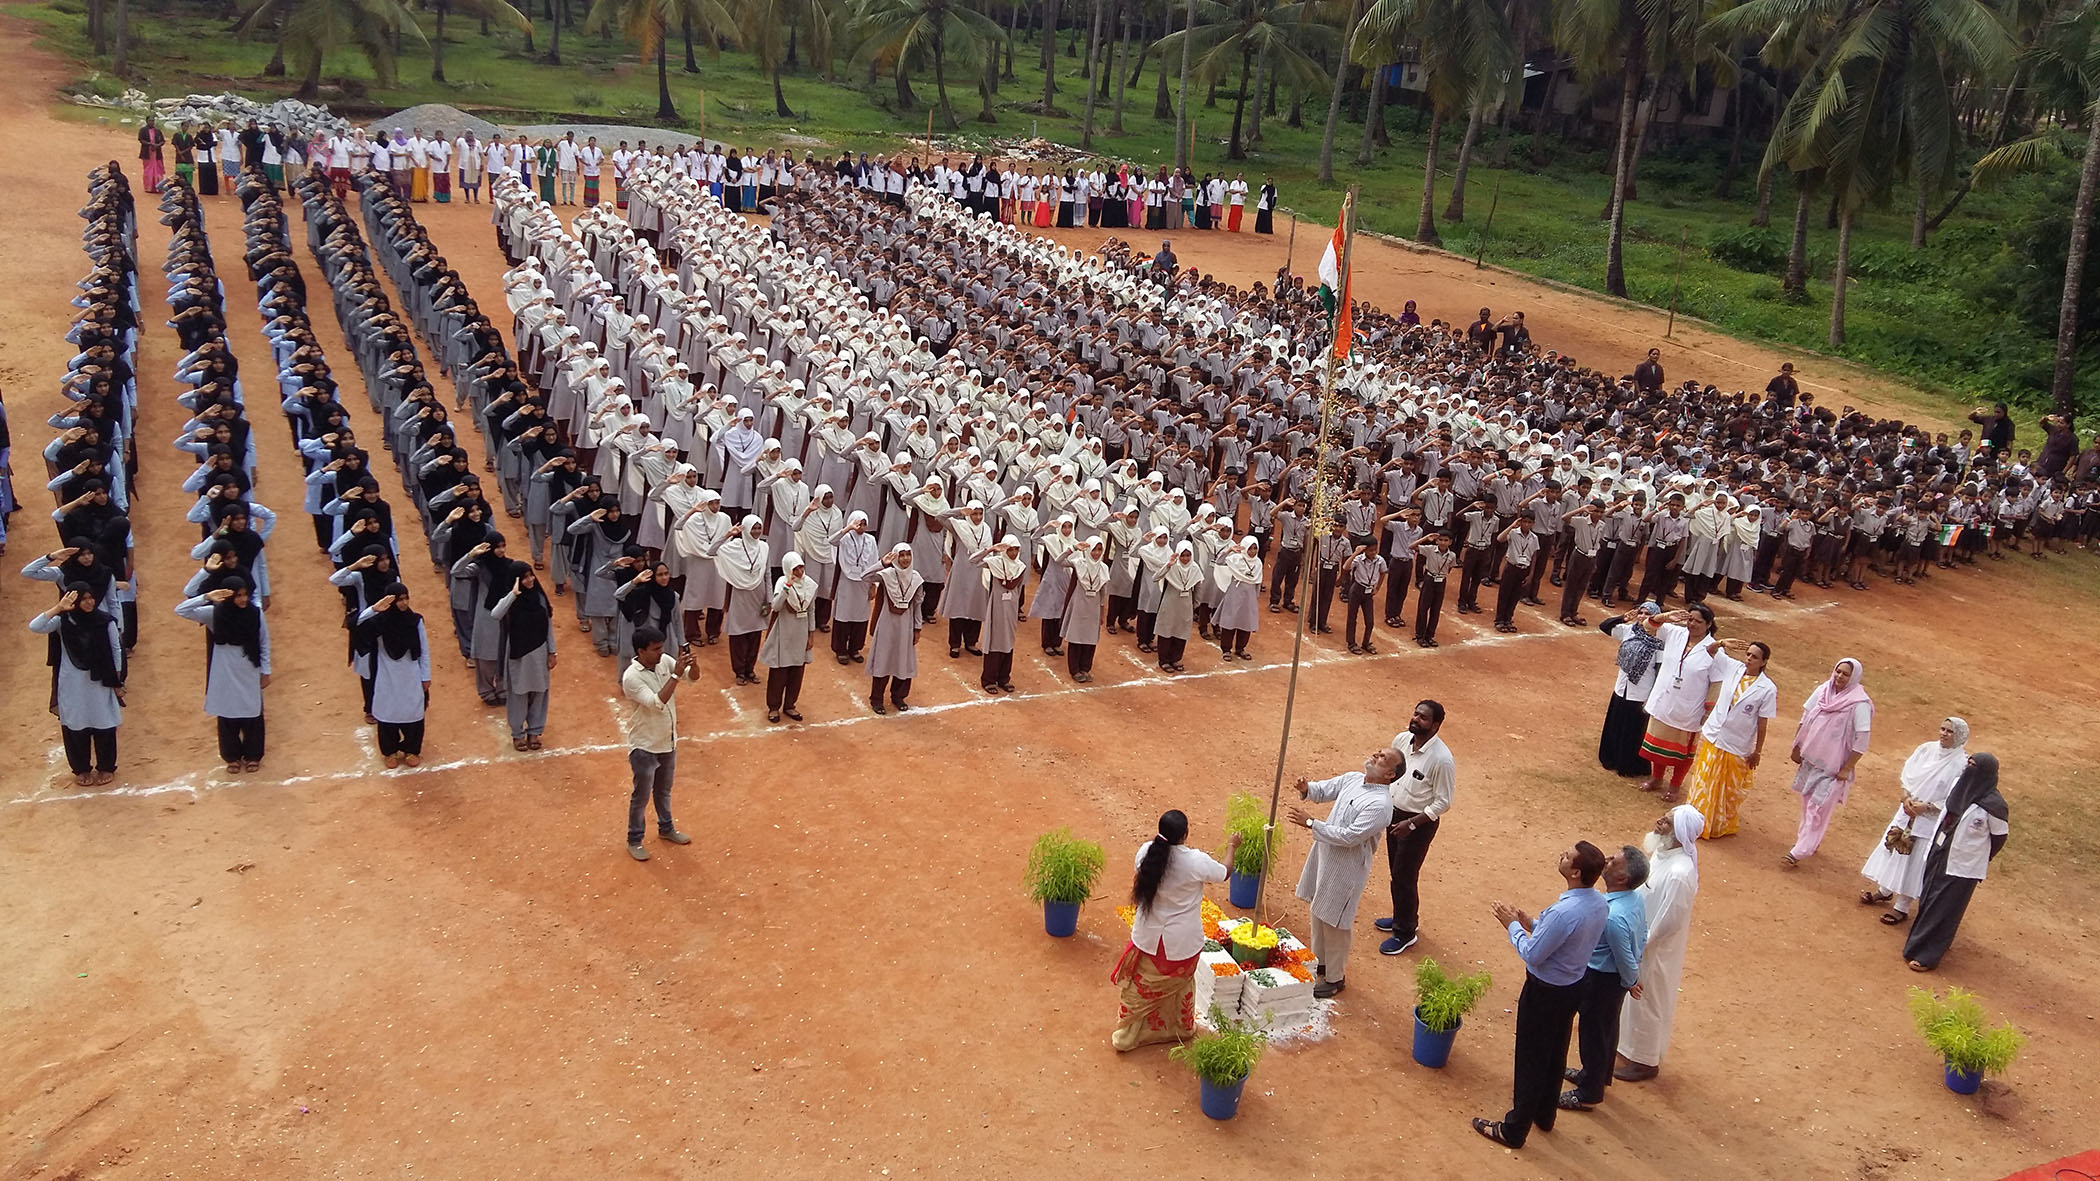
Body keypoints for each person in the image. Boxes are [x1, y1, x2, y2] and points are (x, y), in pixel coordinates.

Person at [1474, 841, 1609, 1150]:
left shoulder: (1564, 912)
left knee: (1531, 1058)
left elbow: (1533, 954)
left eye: (1567, 856)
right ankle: (1544, 1114)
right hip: (1571, 987)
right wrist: (1533, 924)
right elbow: (1567, 939)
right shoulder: (1598, 903)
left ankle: (1514, 1129)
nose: (1561, 854)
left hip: (1544, 992)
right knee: (1555, 1052)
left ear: (1575, 872)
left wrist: (1512, 927)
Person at [1110, 810, 1239, 1051]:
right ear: (1185, 834)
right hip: (1182, 943)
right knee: (1180, 985)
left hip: (1147, 938)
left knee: (1141, 988)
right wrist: (1232, 846)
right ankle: (1179, 1029)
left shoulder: (1145, 852)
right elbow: (1225, 872)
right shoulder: (1195, 862)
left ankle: (1129, 1035)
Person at [1286, 745, 1400, 999]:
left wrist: (1310, 822)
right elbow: (1325, 789)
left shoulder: (1381, 805)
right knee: (1318, 911)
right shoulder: (1352, 779)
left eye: (1383, 758)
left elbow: (1350, 837)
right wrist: (1307, 789)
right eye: (1378, 752)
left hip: (1346, 869)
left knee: (1335, 921)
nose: (1375, 755)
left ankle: (1335, 978)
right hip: (1325, 855)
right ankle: (1321, 963)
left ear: (1390, 775)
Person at [1615, 805, 1704, 1083]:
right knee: (1633, 998)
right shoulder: (1663, 855)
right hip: (1638, 940)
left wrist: (1641, 944)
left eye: (1666, 822)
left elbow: (1668, 920)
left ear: (1679, 834)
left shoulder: (1679, 873)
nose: (1659, 823)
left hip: (1653, 951)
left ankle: (1645, 1060)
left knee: (1648, 999)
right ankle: (1626, 1046)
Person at [1561, 845, 1648, 1112]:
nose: (1607, 861)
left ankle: (1588, 1093)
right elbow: (1642, 937)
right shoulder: (1634, 900)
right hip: (1614, 980)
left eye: (1613, 862)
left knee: (1593, 1034)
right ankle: (1599, 1075)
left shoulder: (1614, 917)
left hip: (1602, 978)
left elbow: (1623, 955)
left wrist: (1631, 979)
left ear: (1622, 879)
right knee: (1607, 1031)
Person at [1903, 754, 2008, 971]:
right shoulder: (1958, 789)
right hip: (1939, 853)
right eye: (1968, 764)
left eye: (1974, 767)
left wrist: (1979, 858)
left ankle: (1928, 955)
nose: (1968, 770)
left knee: (1946, 909)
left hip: (1963, 866)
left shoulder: (1994, 806)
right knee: (1929, 899)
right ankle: (1916, 944)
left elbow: (1999, 838)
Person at [1860, 718, 1969, 924]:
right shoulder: (1926, 750)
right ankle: (1884, 890)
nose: (1944, 734)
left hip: (1929, 821)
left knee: (1915, 861)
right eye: (1943, 729)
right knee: (1894, 848)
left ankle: (1902, 907)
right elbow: (1907, 775)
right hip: (1907, 811)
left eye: (1950, 732)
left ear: (1960, 736)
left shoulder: (1961, 765)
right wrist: (1905, 797)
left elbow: (1955, 797)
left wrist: (1927, 807)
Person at [1377, 700, 1454, 956]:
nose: (1415, 719)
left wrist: (1411, 824)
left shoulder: (1442, 760)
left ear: (1435, 725)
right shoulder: (1401, 740)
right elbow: (1391, 771)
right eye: (1415, 713)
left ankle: (1405, 932)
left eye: (1423, 717)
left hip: (1417, 824)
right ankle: (1402, 917)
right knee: (1395, 872)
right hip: (1394, 816)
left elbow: (1443, 801)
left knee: (1405, 876)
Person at [1781, 658, 1873, 867]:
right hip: (1811, 760)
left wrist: (1847, 768)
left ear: (1854, 678)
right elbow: (1805, 718)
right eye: (1838, 671)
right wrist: (1797, 747)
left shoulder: (1859, 704)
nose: (1839, 676)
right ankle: (1808, 842)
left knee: (1818, 807)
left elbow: (1862, 739)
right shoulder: (1823, 691)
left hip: (1834, 767)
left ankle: (1799, 850)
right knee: (1808, 803)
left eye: (1845, 674)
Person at [31, 587, 126, 786]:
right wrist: (58, 608)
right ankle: (81, 769)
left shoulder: (105, 621)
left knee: (104, 723)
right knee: (75, 725)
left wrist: (117, 680)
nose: (89, 602)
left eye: (91, 597)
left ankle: (106, 766)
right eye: (83, 599)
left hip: (101, 680)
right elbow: (35, 626)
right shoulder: (62, 622)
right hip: (72, 683)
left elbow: (116, 650)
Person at [1682, 640, 1777, 838]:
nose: (1749, 659)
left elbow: (1762, 722)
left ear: (1764, 662)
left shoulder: (1767, 688)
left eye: (1755, 657)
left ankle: (1717, 824)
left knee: (1726, 788)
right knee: (1704, 781)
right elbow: (1710, 650)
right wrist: (1722, 642)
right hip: (1714, 735)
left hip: (1737, 743)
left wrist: (1757, 750)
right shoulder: (1733, 667)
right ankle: (1694, 822)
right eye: (1748, 654)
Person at [174, 578, 271, 774]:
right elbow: (181, 610)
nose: (243, 600)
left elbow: (264, 643)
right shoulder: (215, 614)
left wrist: (266, 671)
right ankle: (232, 756)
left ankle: (253, 755)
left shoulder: (255, 614)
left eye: (245, 595)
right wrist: (207, 597)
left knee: (252, 711)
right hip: (224, 669)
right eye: (238, 595)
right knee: (227, 712)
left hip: (248, 667)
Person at [620, 626, 696, 861]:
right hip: (644, 746)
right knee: (641, 796)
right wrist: (675, 675)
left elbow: (693, 677)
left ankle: (666, 829)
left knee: (663, 791)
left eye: (662, 647)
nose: (661, 653)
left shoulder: (664, 660)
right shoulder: (631, 677)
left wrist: (693, 663)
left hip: (667, 741)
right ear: (641, 651)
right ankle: (634, 839)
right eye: (655, 649)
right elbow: (656, 702)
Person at [357, 586, 432, 768]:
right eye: (399, 599)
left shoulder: (415, 621)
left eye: (406, 598)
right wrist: (374, 609)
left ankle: (411, 749)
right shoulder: (379, 622)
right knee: (387, 711)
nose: (404, 603)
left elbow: (424, 650)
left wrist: (425, 676)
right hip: (386, 674)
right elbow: (358, 625)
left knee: (413, 711)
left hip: (411, 673)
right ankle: (389, 751)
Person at [491, 567, 557, 750]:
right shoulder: (511, 601)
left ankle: (534, 731)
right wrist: (513, 594)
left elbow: (548, 626)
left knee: (540, 693)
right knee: (518, 694)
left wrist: (552, 652)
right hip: (518, 655)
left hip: (539, 653)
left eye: (531, 576)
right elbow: (495, 614)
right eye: (525, 578)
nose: (529, 580)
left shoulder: (540, 598)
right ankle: (518, 734)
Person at [1596, 603, 1664, 777]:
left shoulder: (1659, 641)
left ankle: (1628, 765)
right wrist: (1622, 618)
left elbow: (1659, 670)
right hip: (1622, 687)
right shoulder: (1629, 631)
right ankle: (1610, 758)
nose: (1642, 616)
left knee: (1633, 730)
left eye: (1647, 614)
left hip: (1641, 690)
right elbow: (1604, 626)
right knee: (1616, 724)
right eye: (1640, 612)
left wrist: (1652, 696)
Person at [758, 552, 817, 723]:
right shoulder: (782, 583)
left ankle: (790, 704)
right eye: (795, 568)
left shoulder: (810, 585)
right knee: (779, 672)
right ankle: (774, 707)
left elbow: (811, 611)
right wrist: (788, 587)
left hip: (800, 633)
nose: (799, 572)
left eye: (801, 567)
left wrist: (811, 635)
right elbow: (775, 607)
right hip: (784, 633)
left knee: (797, 671)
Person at [867, 544, 925, 713]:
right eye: (901, 555)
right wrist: (882, 563)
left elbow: (917, 605)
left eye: (908, 555)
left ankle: (898, 696)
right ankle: (876, 699)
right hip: (887, 624)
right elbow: (865, 576)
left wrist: (917, 628)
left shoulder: (916, 578)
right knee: (883, 659)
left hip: (905, 626)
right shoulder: (887, 575)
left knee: (903, 660)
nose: (905, 559)